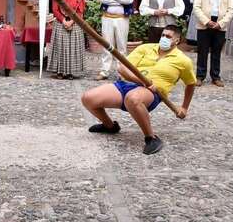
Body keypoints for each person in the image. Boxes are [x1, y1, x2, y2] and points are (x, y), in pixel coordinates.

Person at [81, 24, 196, 155]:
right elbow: (122, 68)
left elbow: (190, 84)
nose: (164, 38)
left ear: (177, 40)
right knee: (88, 98)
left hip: (152, 93)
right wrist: (141, 81)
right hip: (126, 85)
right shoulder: (145, 48)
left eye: (168, 36)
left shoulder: (183, 61)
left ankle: (151, 138)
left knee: (133, 98)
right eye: (163, 35)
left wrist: (184, 108)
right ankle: (109, 126)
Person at [193, 0, 233, 87]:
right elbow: (196, 8)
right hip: (204, 24)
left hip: (220, 24)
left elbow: (231, 10)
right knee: (202, 51)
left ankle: (215, 77)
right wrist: (206, 21)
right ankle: (200, 76)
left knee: (216, 52)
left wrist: (221, 23)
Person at [98, 0, 134, 80]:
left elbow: (129, 0)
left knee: (122, 47)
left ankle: (122, 72)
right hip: (107, 18)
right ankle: (104, 71)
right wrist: (120, 0)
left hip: (122, 19)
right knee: (106, 45)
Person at [48, 0, 86, 79]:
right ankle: (59, 71)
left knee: (72, 48)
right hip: (60, 23)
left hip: (74, 24)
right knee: (60, 48)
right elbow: (55, 9)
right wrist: (63, 20)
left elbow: (80, 11)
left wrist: (72, 21)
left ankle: (70, 72)